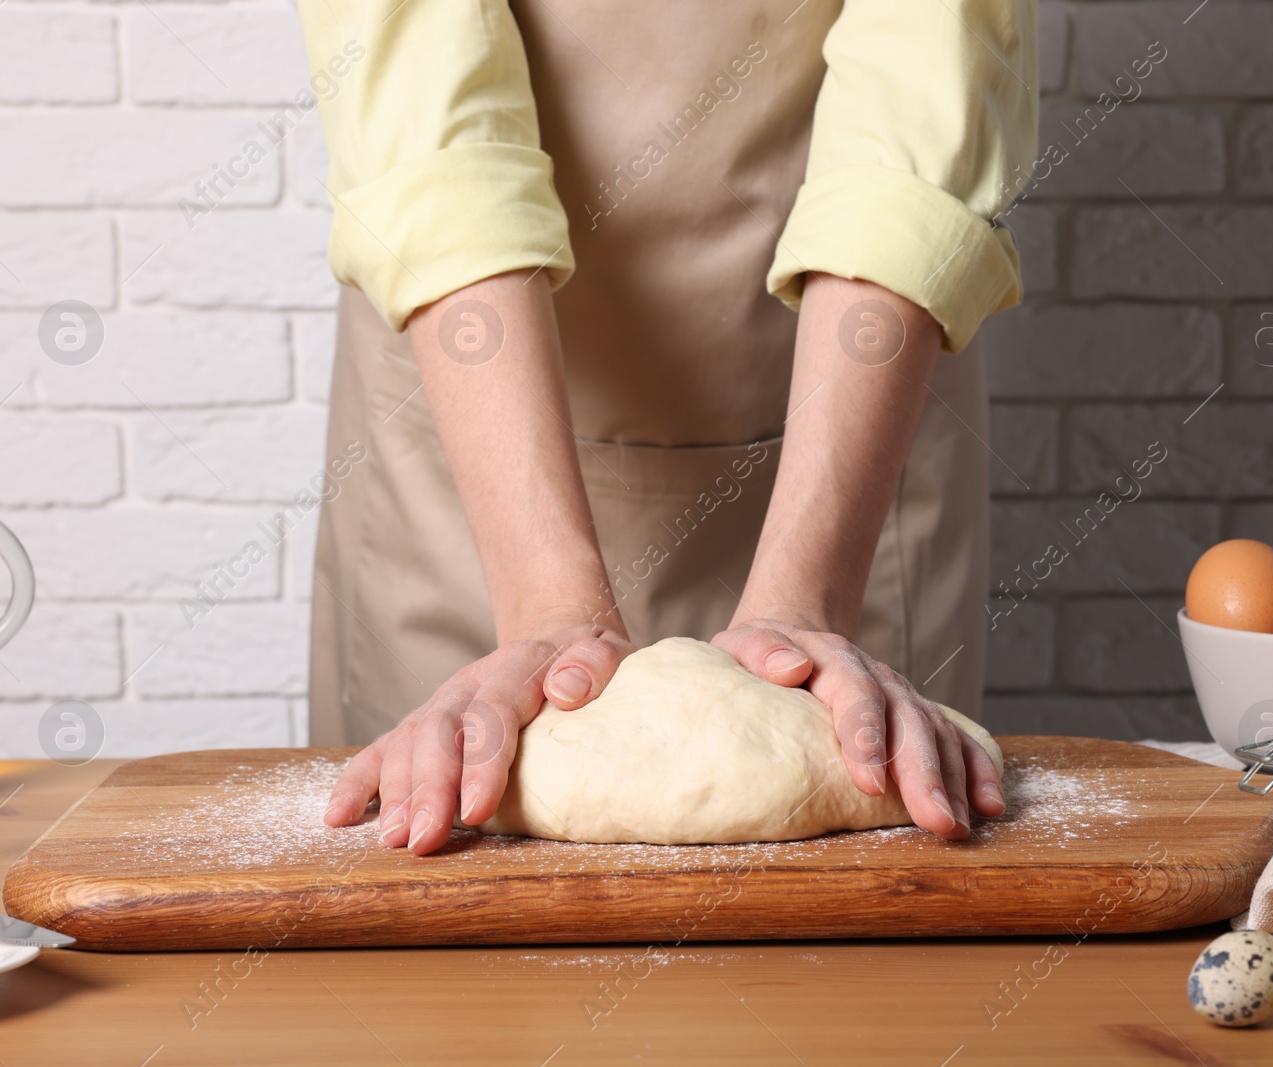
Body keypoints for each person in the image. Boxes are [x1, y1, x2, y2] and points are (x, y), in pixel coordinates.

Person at [296, 0, 1038, 855]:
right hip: (474, 406)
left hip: (849, 394)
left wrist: (808, 603)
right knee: (444, 945)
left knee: (859, 956)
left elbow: (926, 61)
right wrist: (547, 604)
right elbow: (424, 108)